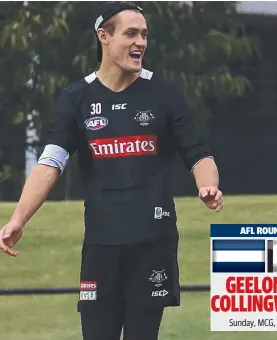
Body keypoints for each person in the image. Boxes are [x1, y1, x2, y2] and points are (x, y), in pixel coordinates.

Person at [0, 1, 223, 339]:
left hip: (153, 244)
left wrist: (207, 185)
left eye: (144, 35)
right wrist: (18, 219)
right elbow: (50, 162)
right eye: (131, 33)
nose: (141, 43)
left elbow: (198, 154)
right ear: (103, 36)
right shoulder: (75, 98)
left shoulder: (164, 94)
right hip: (101, 246)